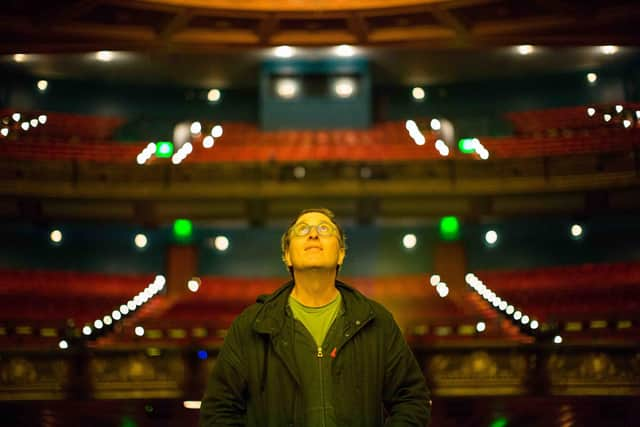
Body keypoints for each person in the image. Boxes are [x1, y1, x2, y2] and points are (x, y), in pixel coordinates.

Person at [200, 208, 431, 426]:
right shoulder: (251, 325)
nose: (313, 234)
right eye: (302, 230)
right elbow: (219, 411)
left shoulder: (376, 321)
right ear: (287, 256)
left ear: (341, 254)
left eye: (324, 229)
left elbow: (411, 399)